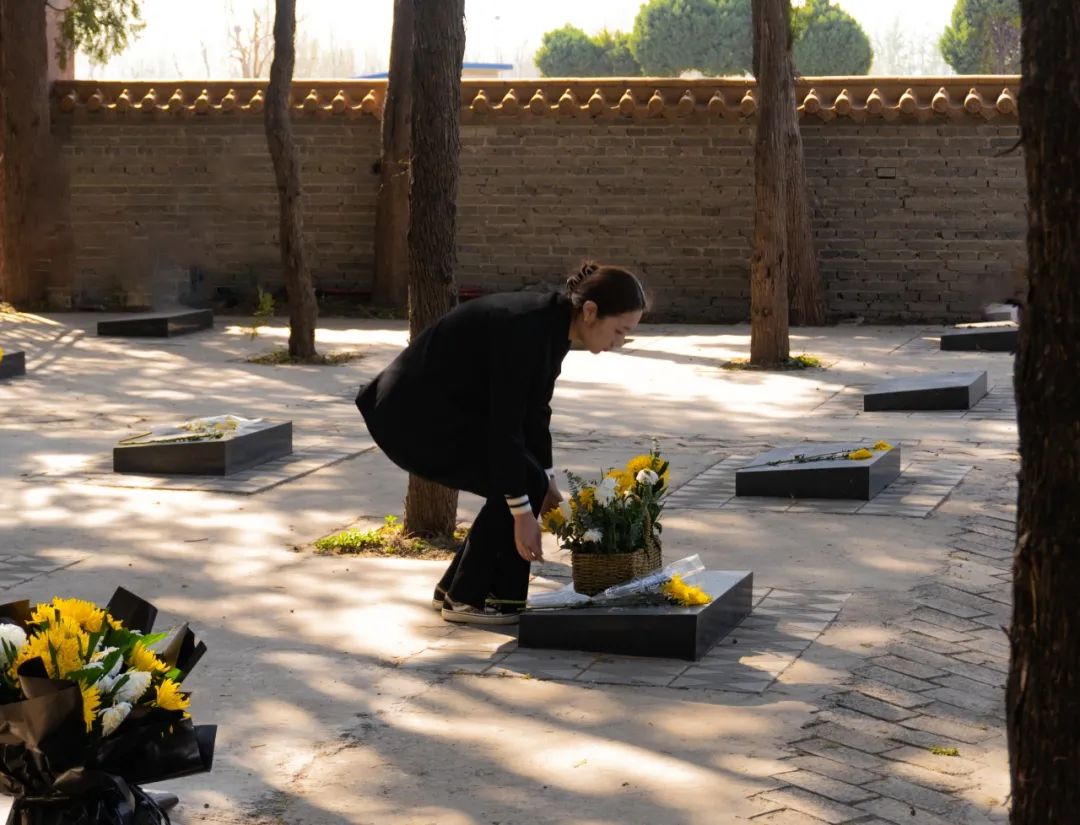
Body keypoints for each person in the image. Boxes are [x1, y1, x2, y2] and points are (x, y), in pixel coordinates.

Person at [356, 263, 647, 625]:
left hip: (437, 413)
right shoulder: (526, 328)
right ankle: (471, 599)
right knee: (519, 481)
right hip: (410, 420)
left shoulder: (551, 325)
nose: (618, 343)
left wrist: (548, 482)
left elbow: (535, 412)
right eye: (619, 331)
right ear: (590, 311)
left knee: (529, 478)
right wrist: (523, 515)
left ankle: (457, 590)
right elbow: (505, 425)